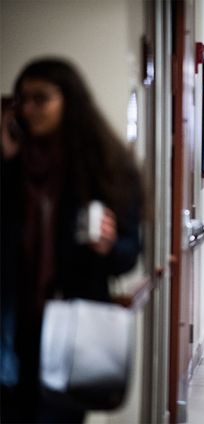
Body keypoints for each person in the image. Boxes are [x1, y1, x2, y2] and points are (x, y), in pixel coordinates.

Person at [0, 58, 142, 423]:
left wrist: (109, 245)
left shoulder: (106, 170)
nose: (28, 109)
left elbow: (129, 255)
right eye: (22, 100)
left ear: (69, 101)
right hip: (11, 328)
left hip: (69, 331)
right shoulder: (12, 169)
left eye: (40, 98)